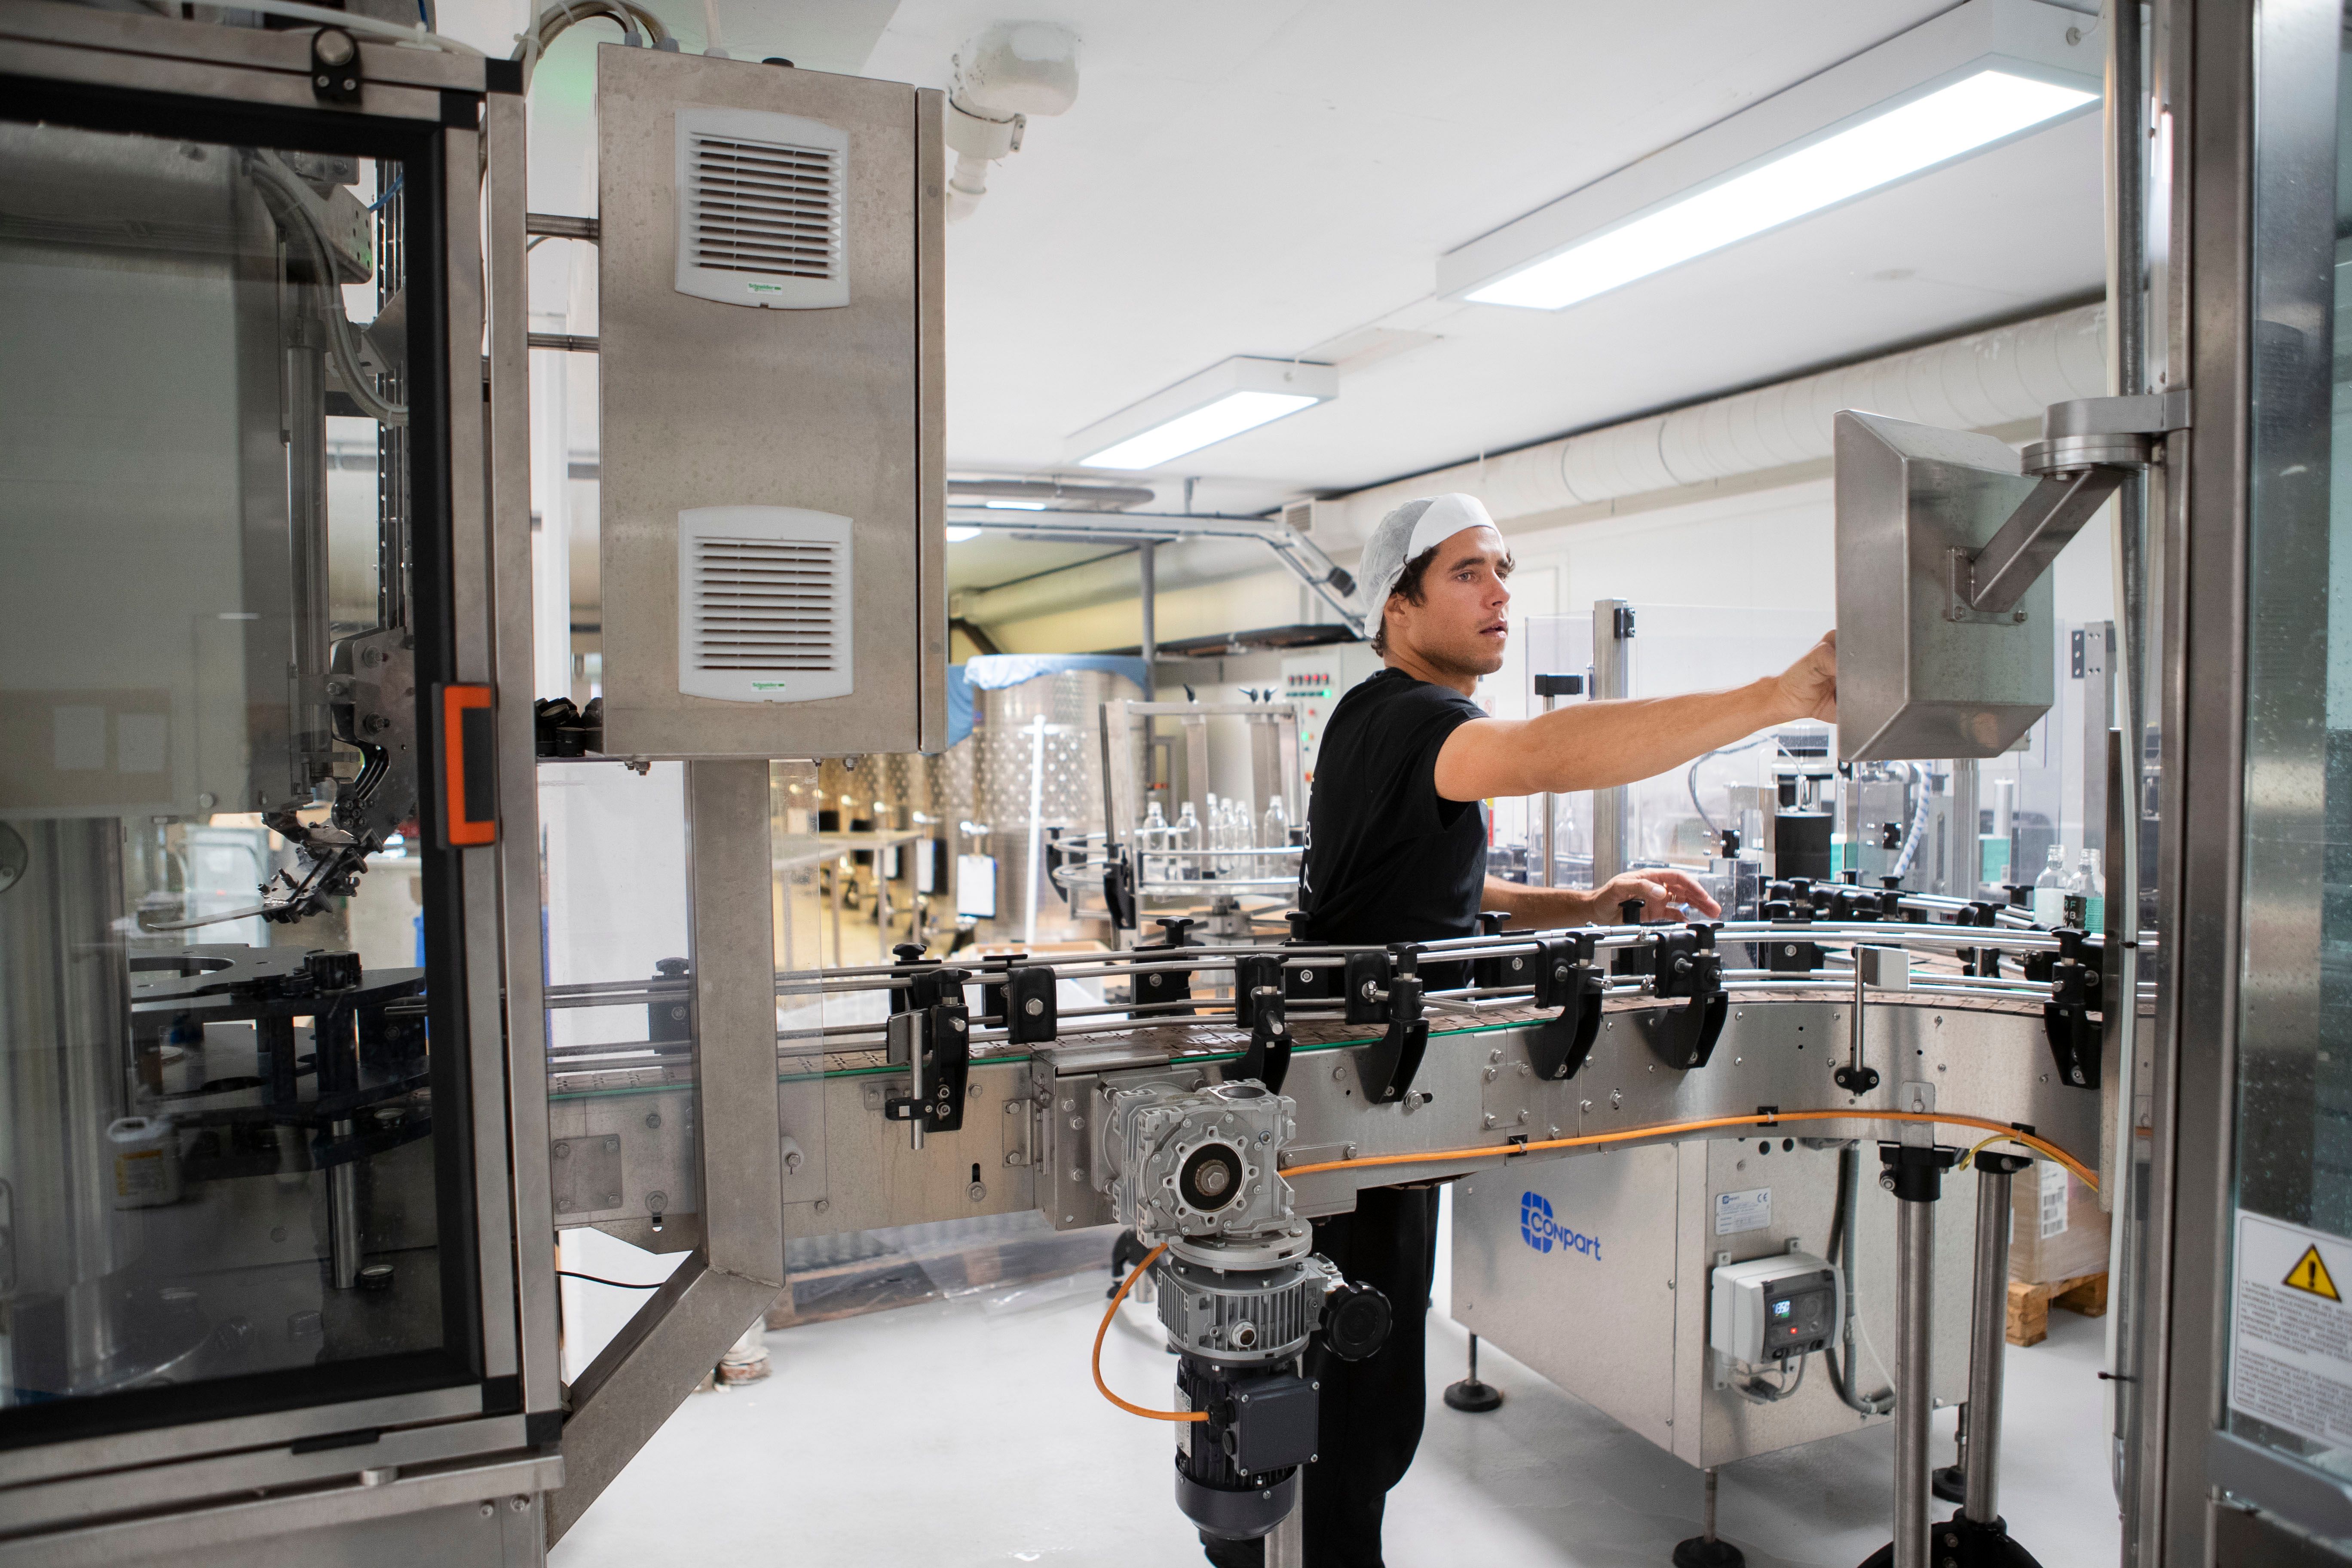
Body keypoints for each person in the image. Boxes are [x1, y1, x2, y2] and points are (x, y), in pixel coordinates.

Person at [1204, 492, 1837, 1568]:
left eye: (1504, 569)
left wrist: (1581, 905)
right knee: (1345, 1420)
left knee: (1320, 1404)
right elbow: (1545, 752)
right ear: (1399, 606)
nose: (1499, 591)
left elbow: (1430, 891)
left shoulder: (1369, 717)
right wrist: (1776, 697)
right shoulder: (1420, 720)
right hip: (1348, 1125)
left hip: (1352, 1110)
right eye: (1467, 572)